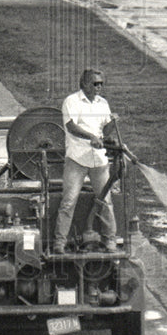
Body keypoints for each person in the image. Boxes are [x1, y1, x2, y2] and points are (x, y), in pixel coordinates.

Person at [52, 70, 118, 254]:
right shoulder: (71, 101)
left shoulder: (103, 103)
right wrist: (91, 137)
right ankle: (60, 242)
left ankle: (110, 240)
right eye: (96, 83)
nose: (99, 87)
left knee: (105, 200)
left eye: (101, 84)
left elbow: (105, 132)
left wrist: (113, 122)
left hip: (99, 160)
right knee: (69, 200)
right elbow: (71, 127)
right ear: (85, 84)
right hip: (77, 159)